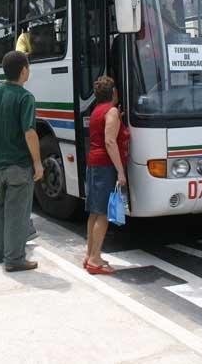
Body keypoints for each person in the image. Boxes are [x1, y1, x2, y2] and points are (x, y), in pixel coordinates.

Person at [0, 51, 42, 272]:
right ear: (24, 71)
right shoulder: (25, 97)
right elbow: (30, 132)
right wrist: (38, 163)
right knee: (18, 213)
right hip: (19, 165)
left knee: (1, 210)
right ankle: (15, 259)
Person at [83, 76, 129, 275]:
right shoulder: (111, 111)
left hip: (94, 163)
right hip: (105, 166)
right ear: (114, 93)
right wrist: (120, 171)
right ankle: (95, 260)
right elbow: (110, 142)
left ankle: (89, 255)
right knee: (103, 213)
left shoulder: (96, 111)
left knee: (94, 212)